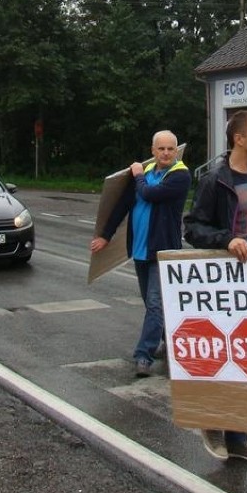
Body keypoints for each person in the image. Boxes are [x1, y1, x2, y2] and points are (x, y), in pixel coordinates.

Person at [182, 110, 247, 465]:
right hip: (227, 286)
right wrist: (228, 241)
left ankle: (238, 439)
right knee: (227, 357)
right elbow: (192, 228)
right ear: (239, 138)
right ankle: (215, 421)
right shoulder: (214, 181)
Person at [90, 130, 190, 378]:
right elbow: (122, 206)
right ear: (153, 151)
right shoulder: (144, 174)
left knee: (155, 304)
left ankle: (143, 355)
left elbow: (150, 194)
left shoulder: (180, 175)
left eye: (170, 149)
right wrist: (105, 235)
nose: (166, 153)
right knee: (152, 303)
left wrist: (136, 176)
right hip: (140, 249)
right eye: (161, 149)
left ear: (176, 151)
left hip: (164, 250)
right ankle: (170, 342)